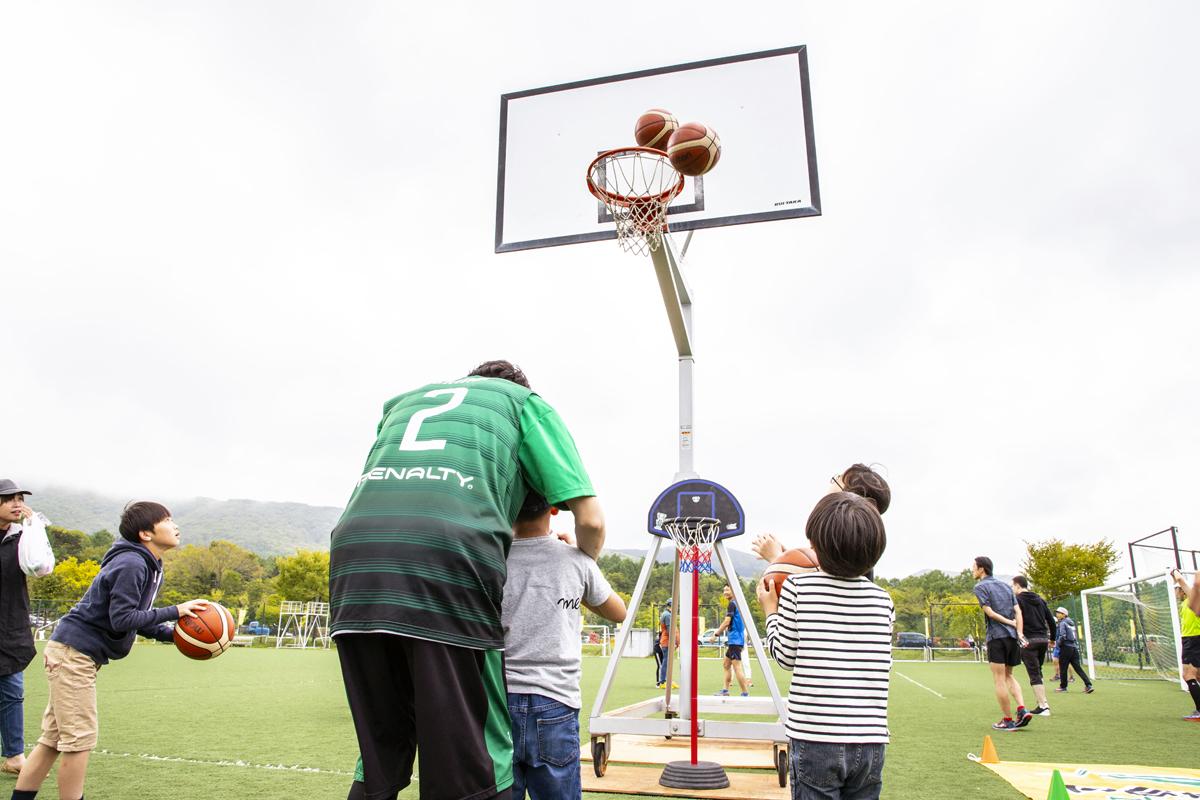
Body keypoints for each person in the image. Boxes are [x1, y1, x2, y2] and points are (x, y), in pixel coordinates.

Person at [330, 360, 606, 800]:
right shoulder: (523, 404)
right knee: (472, 765)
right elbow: (589, 518)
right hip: (446, 561)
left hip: (354, 561)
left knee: (380, 755)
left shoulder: (401, 403)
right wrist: (584, 561)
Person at [11, 501, 207, 800]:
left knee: (52, 740)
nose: (175, 525)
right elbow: (123, 619)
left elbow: (135, 619)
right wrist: (176, 611)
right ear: (145, 533)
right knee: (79, 742)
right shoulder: (133, 563)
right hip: (74, 653)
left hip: (72, 651)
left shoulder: (148, 564)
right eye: (167, 519)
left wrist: (177, 637)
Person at [758, 492, 892, 800]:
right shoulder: (883, 599)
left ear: (814, 545)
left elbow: (785, 656)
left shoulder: (797, 588)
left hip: (815, 737)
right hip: (871, 739)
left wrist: (770, 610)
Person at [502, 492, 626, 799]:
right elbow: (618, 611)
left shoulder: (493, 559)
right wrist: (581, 565)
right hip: (556, 702)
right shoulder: (576, 560)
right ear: (555, 508)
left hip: (500, 700)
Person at [750, 464, 891, 564]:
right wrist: (788, 556)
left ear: (848, 498)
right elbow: (814, 568)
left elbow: (817, 584)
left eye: (837, 478)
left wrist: (776, 559)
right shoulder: (860, 543)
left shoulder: (842, 540)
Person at [0, 481, 40, 776]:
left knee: (13, 691)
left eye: (18, 499)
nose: (16, 504)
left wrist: (34, 527)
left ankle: (14, 756)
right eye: (8, 499)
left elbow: (42, 567)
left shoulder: (23, 536)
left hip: (11, 624)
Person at [971, 557, 1032, 731]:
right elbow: (1018, 612)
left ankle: (1008, 720)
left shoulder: (980, 587)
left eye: (974, 567)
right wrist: (1018, 631)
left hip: (997, 638)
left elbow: (989, 613)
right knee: (1009, 675)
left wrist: (1010, 623)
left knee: (999, 680)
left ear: (982, 569)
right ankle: (1022, 709)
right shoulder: (1006, 586)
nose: (972, 570)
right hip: (1012, 638)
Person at [1011, 575, 1056, 716]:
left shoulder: (1017, 600)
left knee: (1034, 673)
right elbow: (1051, 621)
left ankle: (1043, 706)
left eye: (1013, 586)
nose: (1012, 589)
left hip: (1028, 640)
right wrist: (1052, 638)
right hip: (1043, 639)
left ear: (1018, 586)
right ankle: (1042, 703)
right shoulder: (1040, 600)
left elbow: (1016, 619)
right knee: (1038, 671)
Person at [1168, 569, 1200, 721]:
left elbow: (1184, 582)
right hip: (1192, 640)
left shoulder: (1194, 599)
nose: (1175, 593)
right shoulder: (1188, 602)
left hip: (1193, 640)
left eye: (1176, 590)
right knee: (1197, 675)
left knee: (1188, 675)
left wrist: (1176, 573)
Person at [713, 584, 750, 697]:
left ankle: (745, 693)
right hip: (735, 640)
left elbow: (727, 622)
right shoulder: (738, 604)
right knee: (726, 664)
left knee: (737, 667)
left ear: (734, 590)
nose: (725, 592)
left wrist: (716, 634)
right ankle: (725, 690)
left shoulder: (732, 604)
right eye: (724, 589)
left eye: (727, 589)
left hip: (735, 640)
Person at [1052, 606, 1094, 694]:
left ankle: (1063, 687)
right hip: (1074, 648)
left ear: (1064, 615)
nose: (1057, 614)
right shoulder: (1071, 623)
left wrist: (1058, 644)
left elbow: (1063, 636)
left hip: (1066, 647)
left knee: (1063, 667)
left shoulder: (1063, 623)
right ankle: (1088, 685)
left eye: (1059, 613)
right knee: (1077, 667)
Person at [654, 607, 671, 688]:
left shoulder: (664, 631)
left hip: (662, 647)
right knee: (661, 665)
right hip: (658, 649)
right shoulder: (664, 632)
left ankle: (663, 680)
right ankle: (659, 682)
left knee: (664, 664)